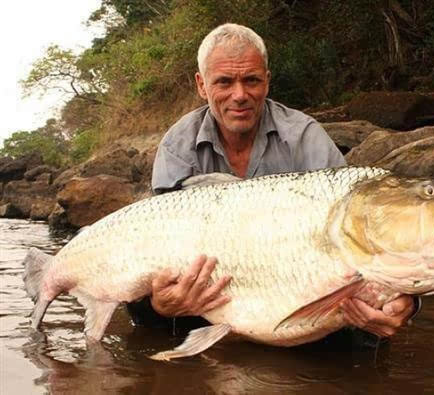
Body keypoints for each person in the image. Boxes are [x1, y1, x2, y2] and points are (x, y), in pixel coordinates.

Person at [127, 23, 418, 344]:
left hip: (295, 281)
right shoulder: (177, 146)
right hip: (210, 290)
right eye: (224, 82)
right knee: (144, 312)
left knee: (362, 332)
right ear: (201, 85)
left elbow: (362, 235)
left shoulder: (305, 136)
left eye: (251, 80)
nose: (240, 95)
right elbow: (154, 244)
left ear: (267, 80)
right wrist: (161, 303)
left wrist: (405, 299)